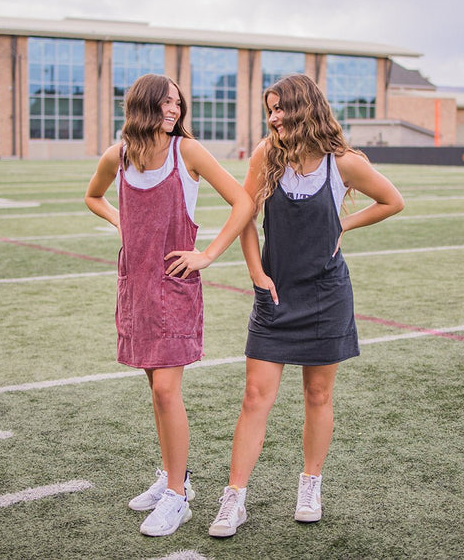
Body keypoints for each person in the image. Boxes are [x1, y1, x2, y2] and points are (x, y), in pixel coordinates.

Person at [208, 73, 404, 538]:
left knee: (318, 394)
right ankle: (234, 497)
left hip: (326, 296)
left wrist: (346, 224)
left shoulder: (344, 163)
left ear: (303, 108)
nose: (273, 117)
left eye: (279, 108)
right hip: (275, 295)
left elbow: (392, 201)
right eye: (269, 110)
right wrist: (256, 273)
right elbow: (244, 216)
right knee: (255, 396)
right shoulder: (265, 155)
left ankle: (310, 485)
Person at [85, 74, 253, 537]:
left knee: (165, 390)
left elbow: (243, 202)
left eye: (178, 103)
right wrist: (121, 220)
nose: (174, 112)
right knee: (154, 389)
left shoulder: (189, 152)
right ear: (143, 108)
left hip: (175, 287)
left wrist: (208, 254)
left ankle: (178, 497)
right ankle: (172, 477)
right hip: (134, 288)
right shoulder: (116, 157)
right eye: (165, 105)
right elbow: (92, 196)